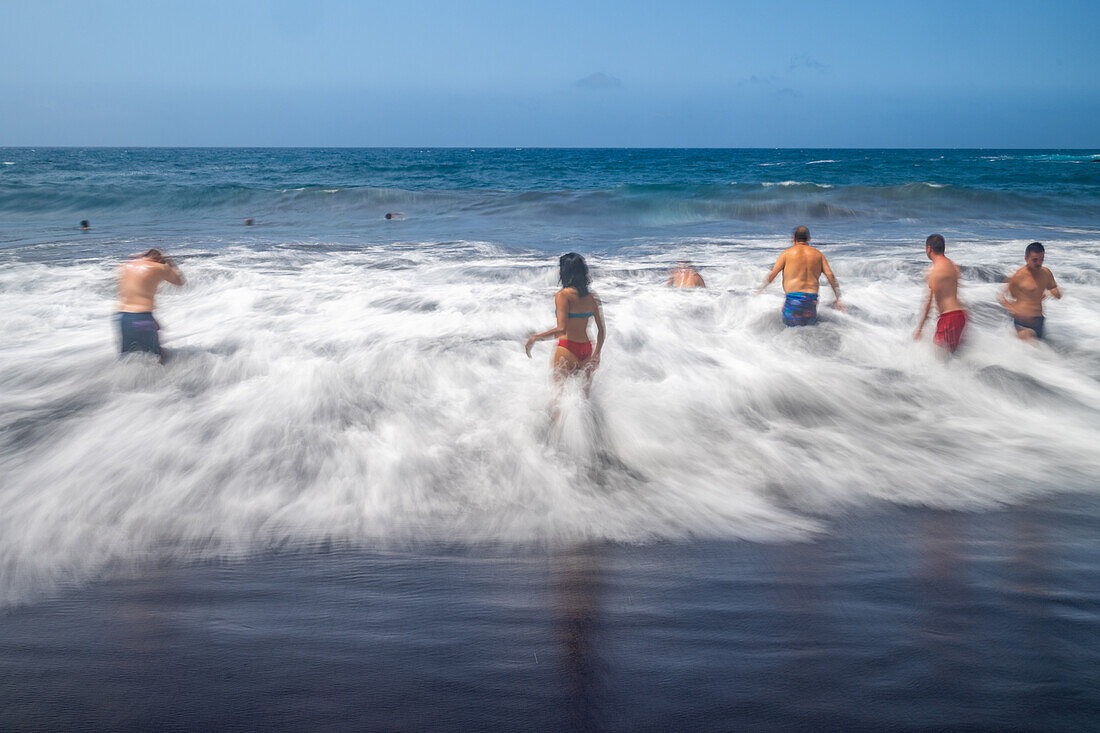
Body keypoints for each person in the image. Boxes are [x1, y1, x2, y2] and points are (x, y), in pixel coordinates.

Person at [525, 253, 606, 386]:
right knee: (584, 399)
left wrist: (535, 338)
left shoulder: (562, 295)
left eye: (561, 267)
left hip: (567, 348)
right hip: (587, 349)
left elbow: (561, 329)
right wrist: (597, 354)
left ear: (565, 271)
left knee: (558, 397)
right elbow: (601, 330)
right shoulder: (592, 297)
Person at [756, 226, 844, 325]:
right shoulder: (819, 255)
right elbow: (830, 276)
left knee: (789, 332)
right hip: (811, 300)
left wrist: (760, 290)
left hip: (793, 300)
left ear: (793, 238)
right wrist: (838, 298)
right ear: (809, 239)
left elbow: (772, 275)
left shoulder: (786, 254)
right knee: (809, 331)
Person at [116, 249, 185, 362]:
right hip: (142, 319)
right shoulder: (160, 267)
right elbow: (180, 281)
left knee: (127, 358)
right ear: (159, 258)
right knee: (158, 358)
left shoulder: (127, 266)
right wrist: (170, 262)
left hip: (123, 318)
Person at [914, 234, 967, 354]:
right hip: (961, 316)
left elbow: (928, 303)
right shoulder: (953, 266)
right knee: (952, 359)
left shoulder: (934, 271)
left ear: (929, 249)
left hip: (949, 318)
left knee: (939, 361)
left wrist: (920, 328)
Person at [999, 242, 1061, 341]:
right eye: (1035, 260)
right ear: (1026, 258)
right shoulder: (1019, 276)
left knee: (1039, 352)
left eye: (1041, 259)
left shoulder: (1046, 273)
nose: (1039, 263)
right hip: (1022, 322)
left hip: (1039, 320)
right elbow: (1002, 296)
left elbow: (1056, 291)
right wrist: (1012, 309)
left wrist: (1055, 293)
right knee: (1032, 348)